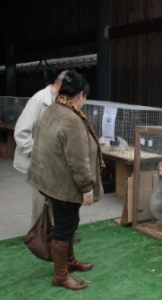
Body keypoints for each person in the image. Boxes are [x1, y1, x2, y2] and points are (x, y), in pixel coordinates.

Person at [26, 70, 105, 290]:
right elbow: (78, 161)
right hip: (63, 185)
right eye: (85, 97)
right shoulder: (71, 119)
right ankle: (60, 274)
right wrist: (87, 188)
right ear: (80, 95)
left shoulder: (53, 109)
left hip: (51, 180)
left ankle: (69, 262)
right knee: (64, 227)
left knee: (70, 223)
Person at [13, 70, 81, 243]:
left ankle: (61, 236)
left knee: (57, 199)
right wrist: (37, 153)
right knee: (40, 200)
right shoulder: (38, 100)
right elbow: (21, 132)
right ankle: (38, 237)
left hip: (56, 161)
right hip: (38, 161)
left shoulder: (62, 100)